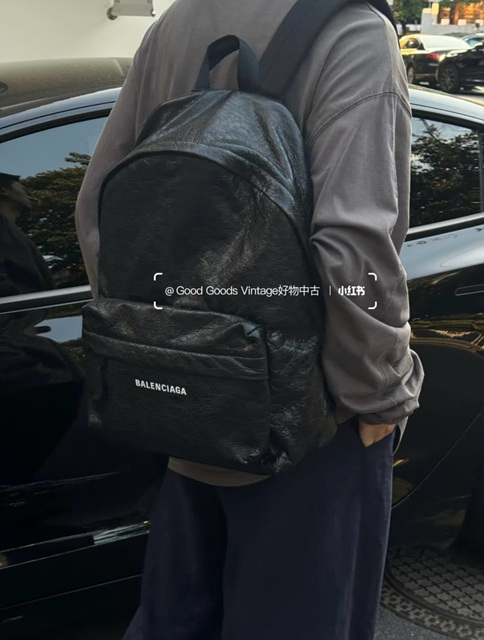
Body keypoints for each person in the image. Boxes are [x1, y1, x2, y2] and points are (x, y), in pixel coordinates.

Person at [75, 0, 425, 637]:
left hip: (182, 411)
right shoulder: (353, 31)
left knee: (175, 619)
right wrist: (378, 395)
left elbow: (98, 207)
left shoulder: (177, 21)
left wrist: (164, 342)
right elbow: (352, 251)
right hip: (309, 423)